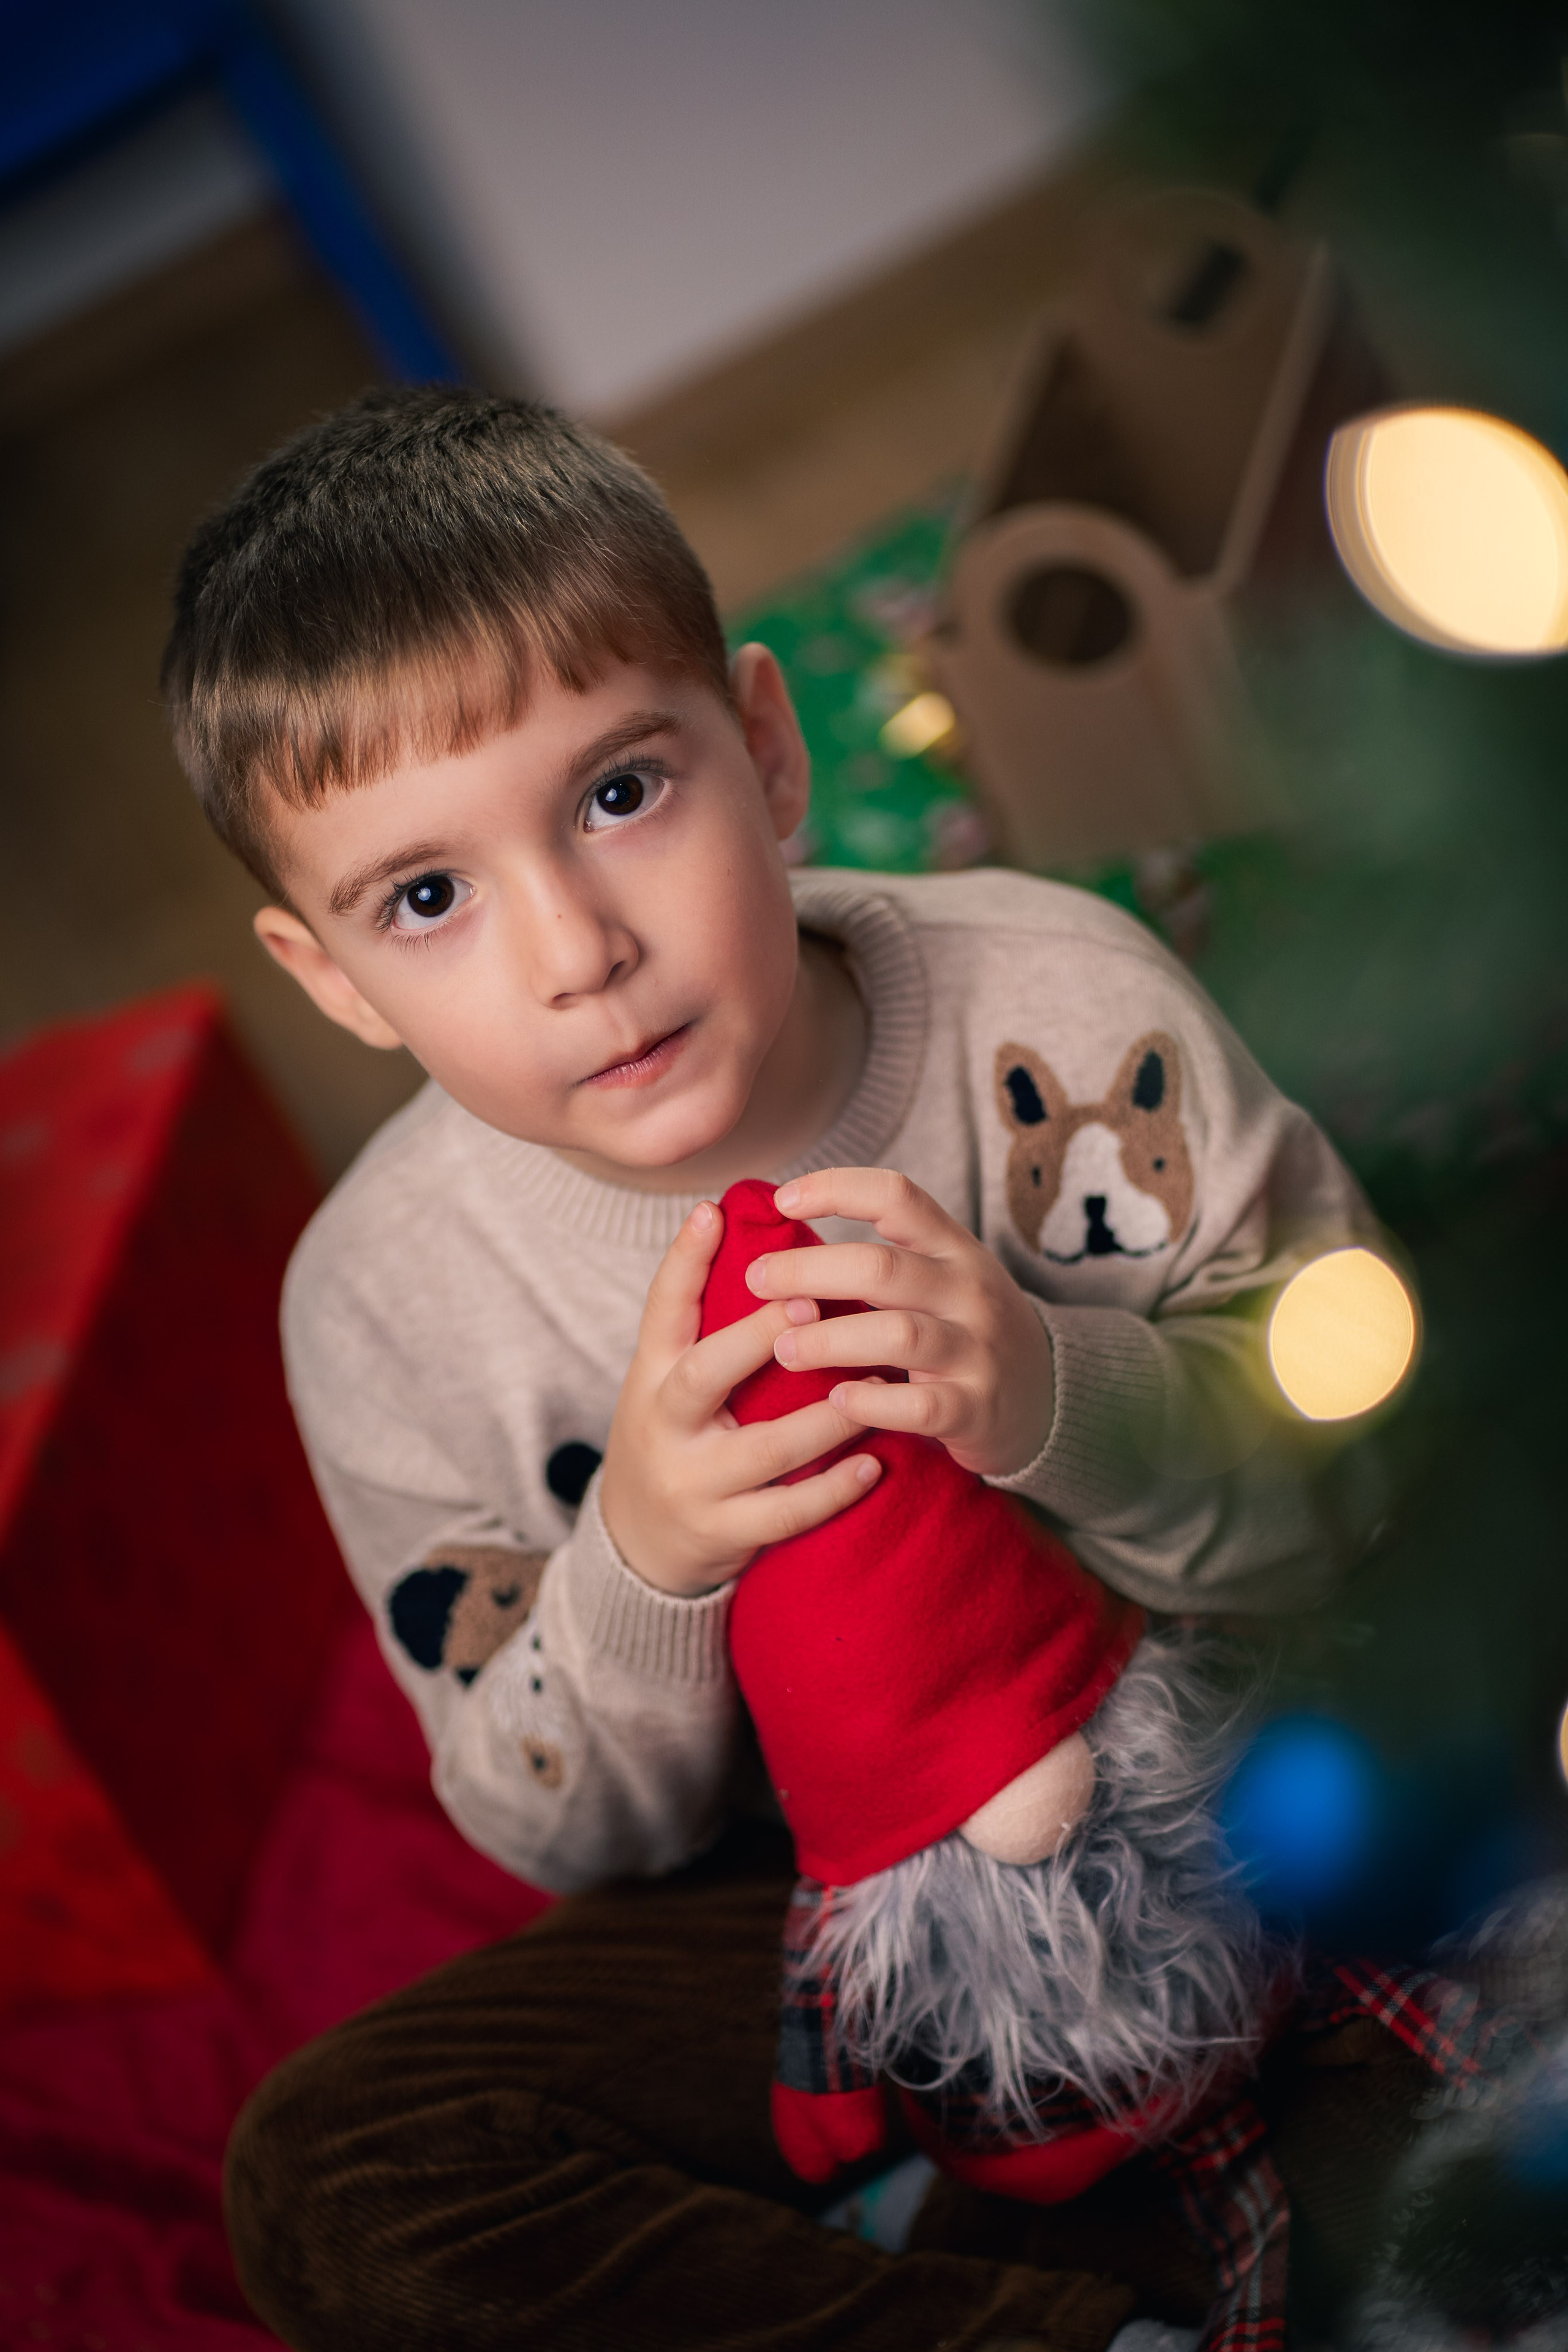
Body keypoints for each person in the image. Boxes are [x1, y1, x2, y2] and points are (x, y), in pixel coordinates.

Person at [162, 386, 1403, 2352]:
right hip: (804, 1906)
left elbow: (1357, 1477)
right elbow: (565, 1833)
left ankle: (1206, 2177)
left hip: (1225, 1755)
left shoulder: (1059, 1001)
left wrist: (1053, 1390)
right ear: (333, 980)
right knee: (334, 2179)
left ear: (765, 749)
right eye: (428, 898)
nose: (576, 949)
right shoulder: (380, 1307)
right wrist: (643, 1568)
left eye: (618, 795)